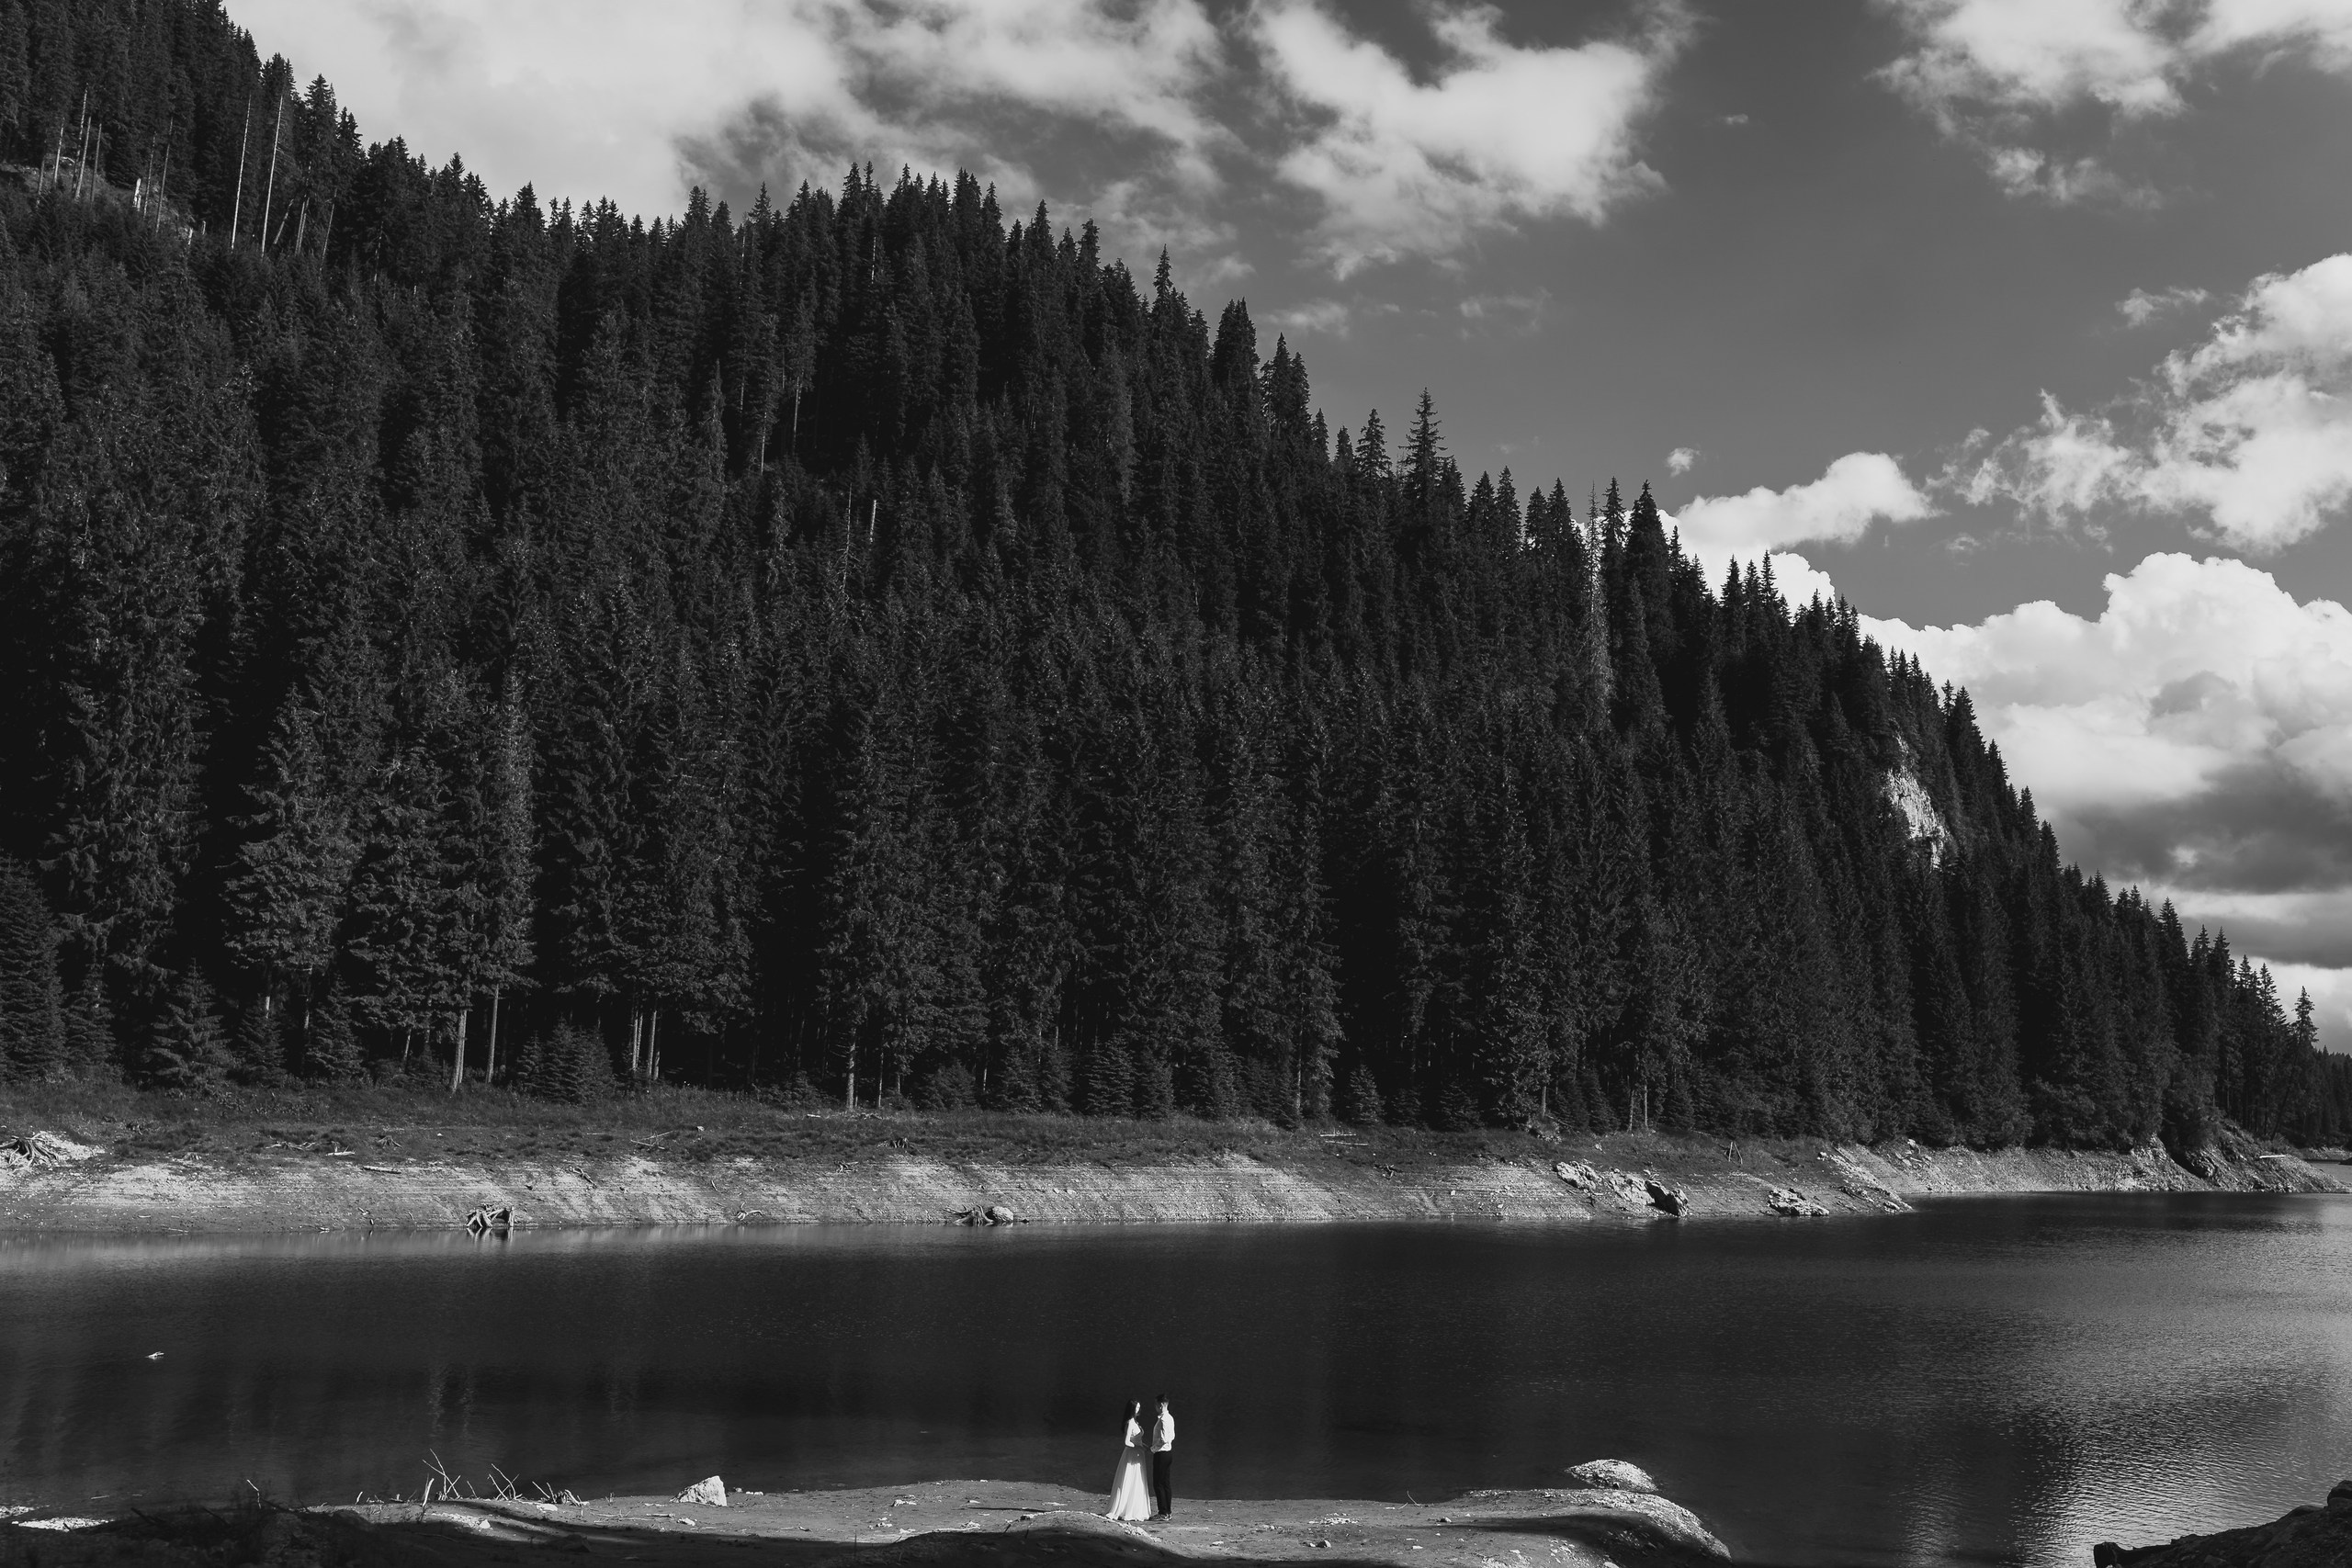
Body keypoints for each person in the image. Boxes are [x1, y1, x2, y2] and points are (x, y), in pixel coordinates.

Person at [1106, 1399, 1154, 1521]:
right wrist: (1138, 1447)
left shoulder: (1136, 1423)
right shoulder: (1130, 1423)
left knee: (1137, 1480)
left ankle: (1135, 1508)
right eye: (1136, 1408)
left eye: (1139, 1407)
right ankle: (1124, 1509)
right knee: (1129, 1479)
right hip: (1131, 1455)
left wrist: (1145, 1447)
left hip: (1138, 1455)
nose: (1138, 1410)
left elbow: (1137, 1440)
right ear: (1131, 1409)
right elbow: (1127, 1442)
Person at [1148, 1394, 1175, 1519]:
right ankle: (1168, 1511)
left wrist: (1152, 1449)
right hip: (1168, 1453)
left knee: (1158, 1483)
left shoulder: (1164, 1419)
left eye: (1156, 1405)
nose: (1155, 1407)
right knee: (1165, 1483)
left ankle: (1163, 1512)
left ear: (1161, 1405)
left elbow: (1164, 1439)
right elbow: (1172, 1436)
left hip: (1161, 1453)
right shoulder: (1170, 1418)